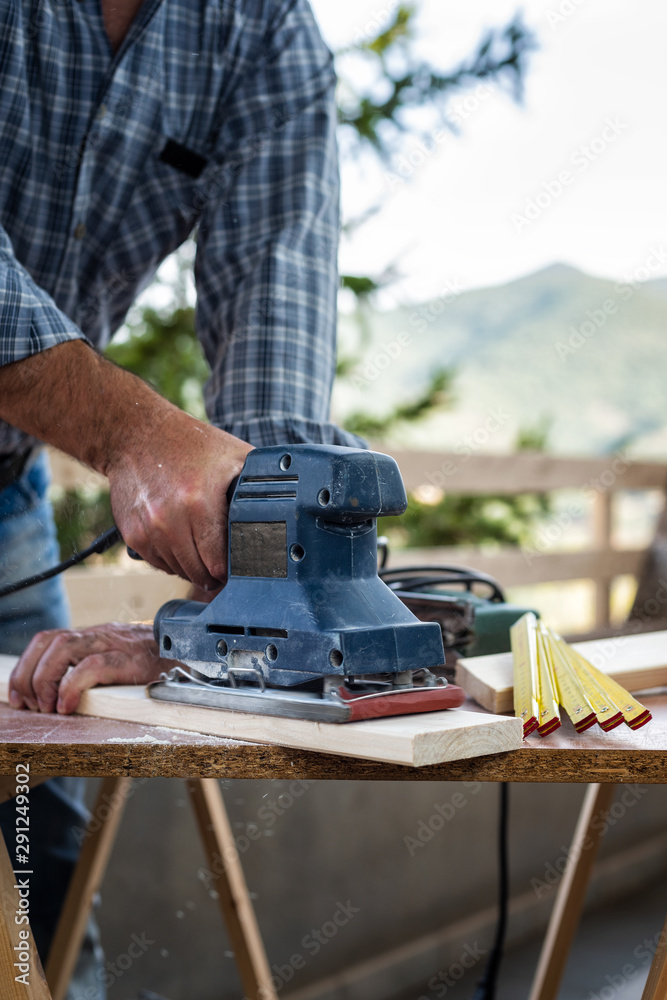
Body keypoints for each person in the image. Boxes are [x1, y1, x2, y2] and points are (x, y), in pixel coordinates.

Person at [0, 0, 360, 995]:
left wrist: (253, 585)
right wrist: (134, 430)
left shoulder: (262, 33)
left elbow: (275, 314)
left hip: (5, 494)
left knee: (42, 857)